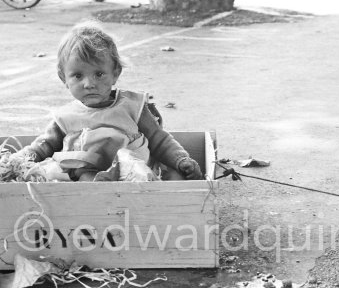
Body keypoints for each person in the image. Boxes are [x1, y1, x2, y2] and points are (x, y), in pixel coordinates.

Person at [18, 21, 202, 182]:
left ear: (115, 73)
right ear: (63, 78)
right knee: (75, 178)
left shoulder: (132, 106)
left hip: (138, 177)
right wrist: (17, 162)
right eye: (77, 76)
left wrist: (181, 159)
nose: (89, 84)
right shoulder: (65, 118)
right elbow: (43, 146)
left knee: (176, 176)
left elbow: (160, 140)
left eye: (99, 74)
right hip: (89, 180)